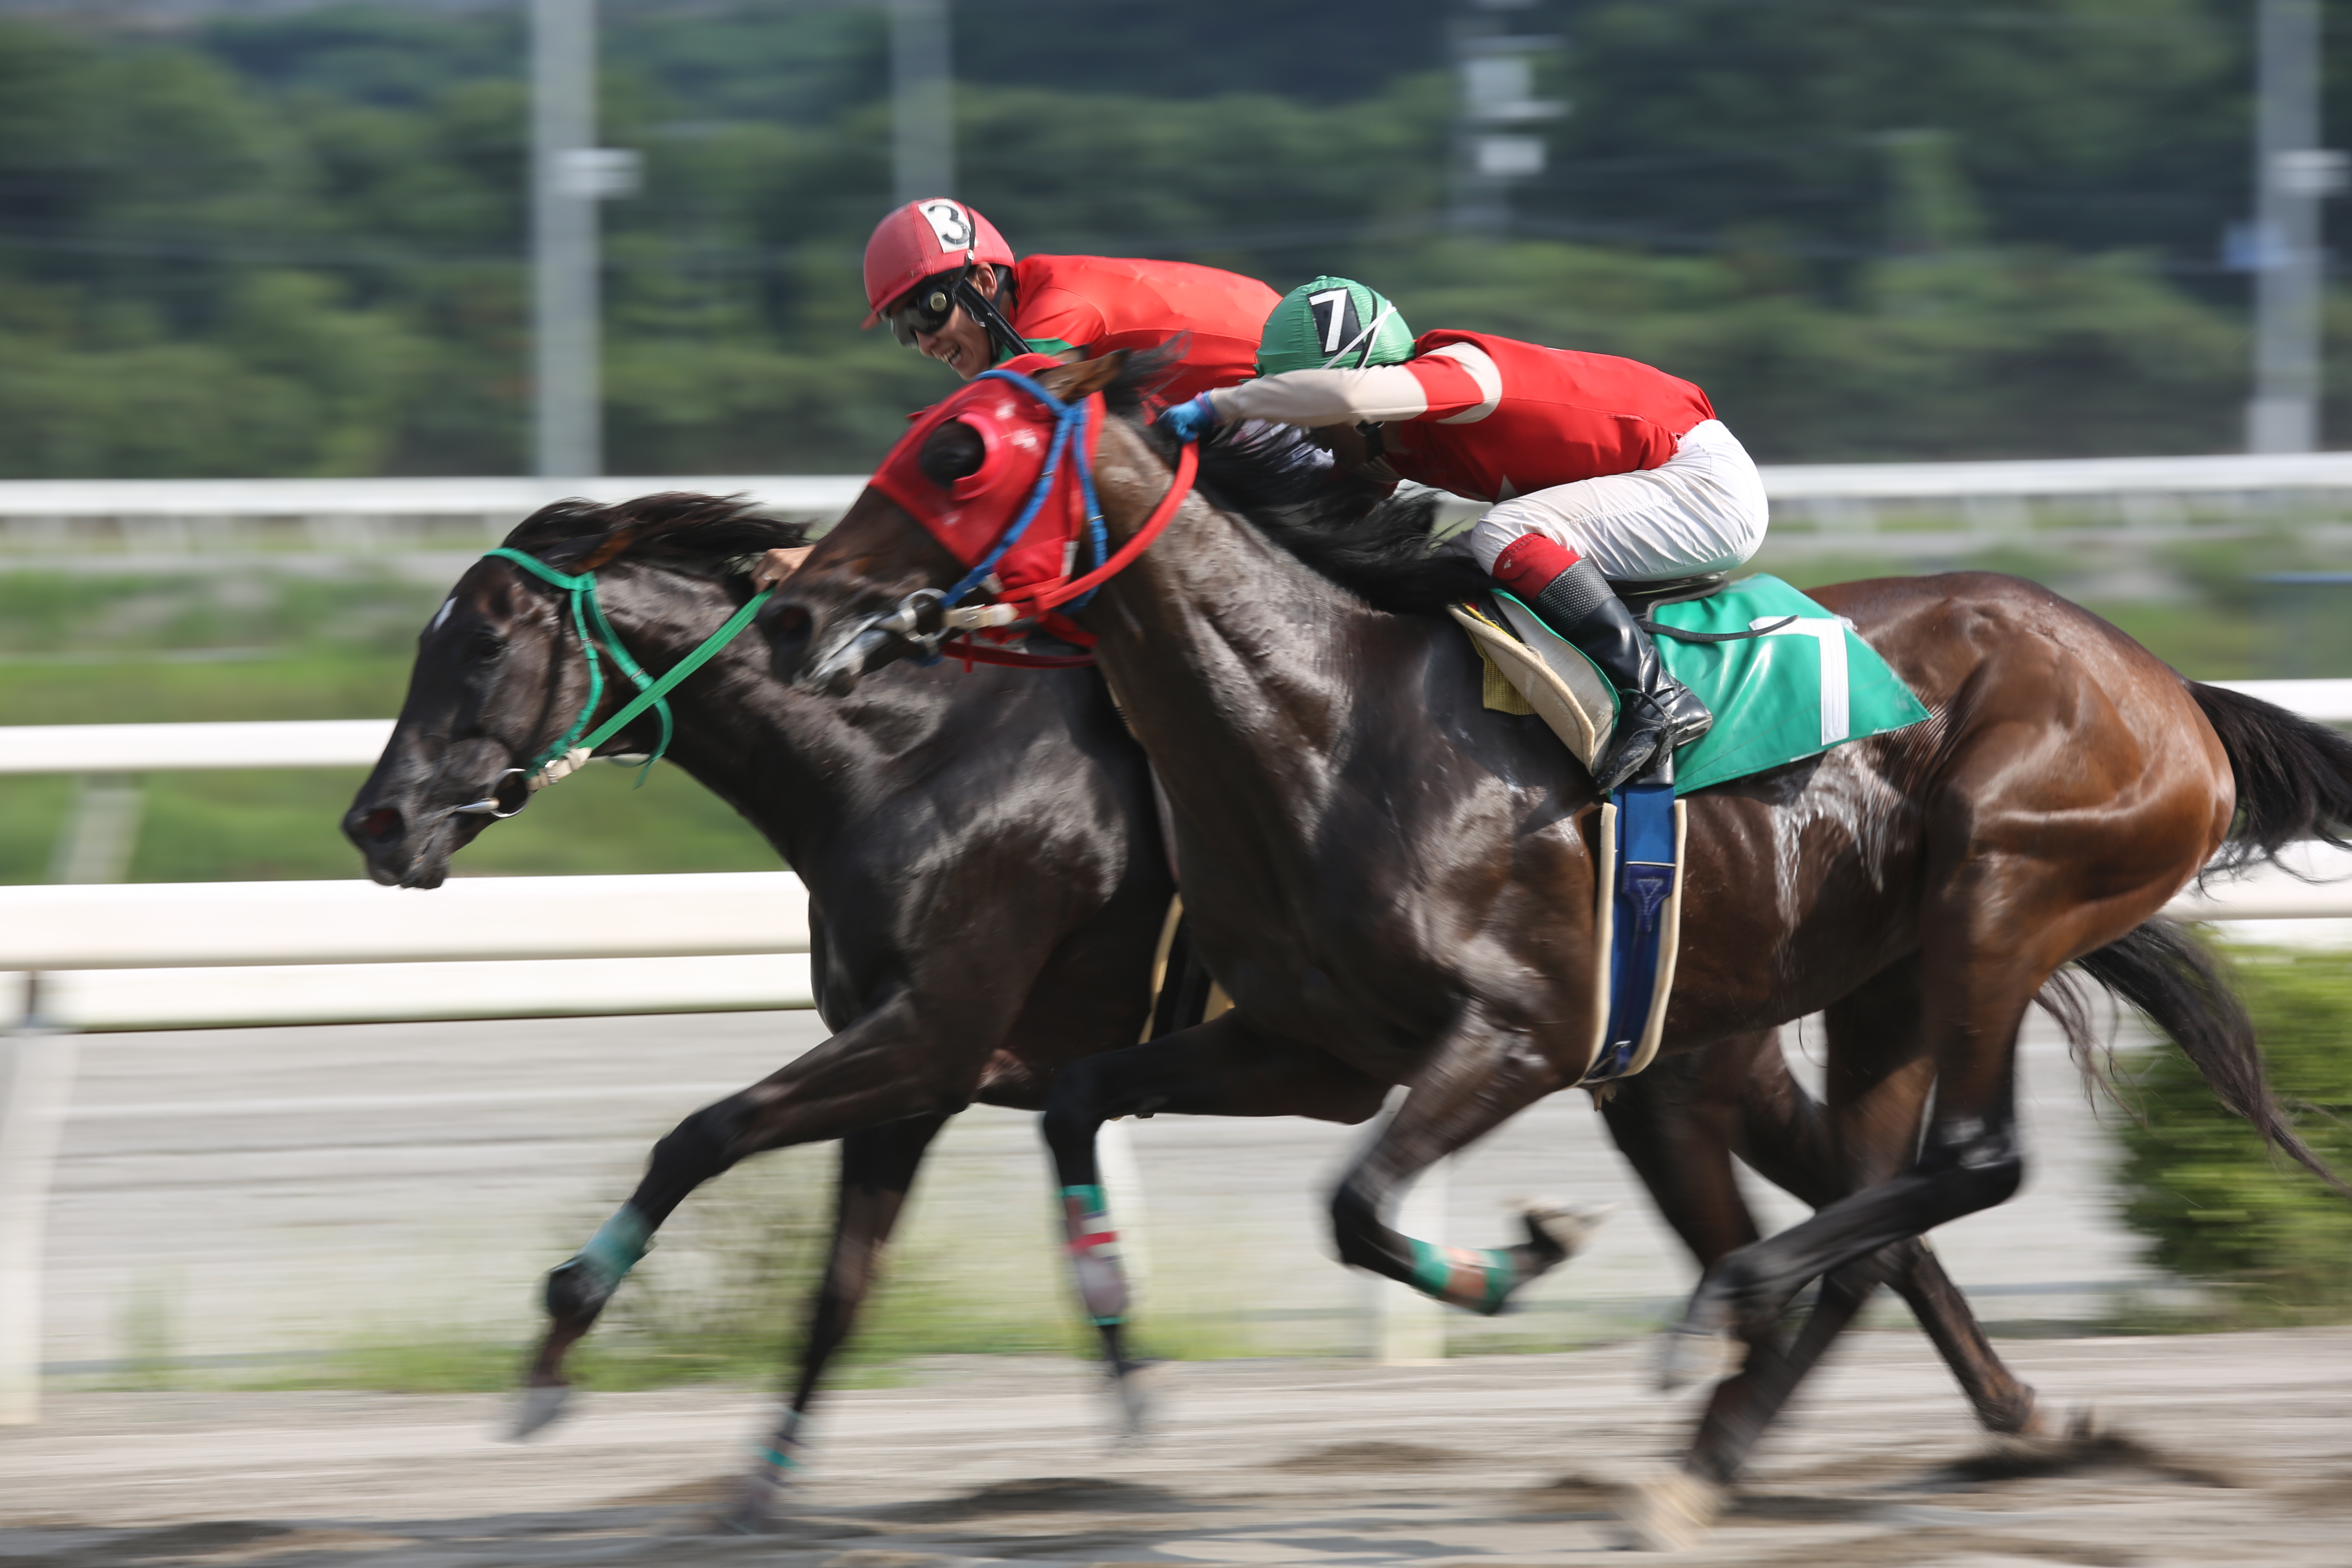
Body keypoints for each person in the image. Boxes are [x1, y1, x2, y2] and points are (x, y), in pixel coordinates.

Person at [1159, 276, 1769, 793]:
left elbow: (1342, 391)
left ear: (1366, 397)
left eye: (1311, 417)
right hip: (1660, 485)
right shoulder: (1392, 449)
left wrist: (1221, 406)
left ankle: (1658, 697)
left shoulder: (1464, 375)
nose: (1308, 435)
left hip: (1703, 488)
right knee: (1449, 564)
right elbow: (1328, 529)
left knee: (1505, 534)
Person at [751, 198, 1285, 590]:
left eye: (928, 311)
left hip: (1294, 392)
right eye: (904, 328)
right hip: (1242, 407)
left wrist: (829, 556)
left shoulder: (1058, 308)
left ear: (984, 281)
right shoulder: (1035, 309)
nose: (925, 342)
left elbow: (981, 446)